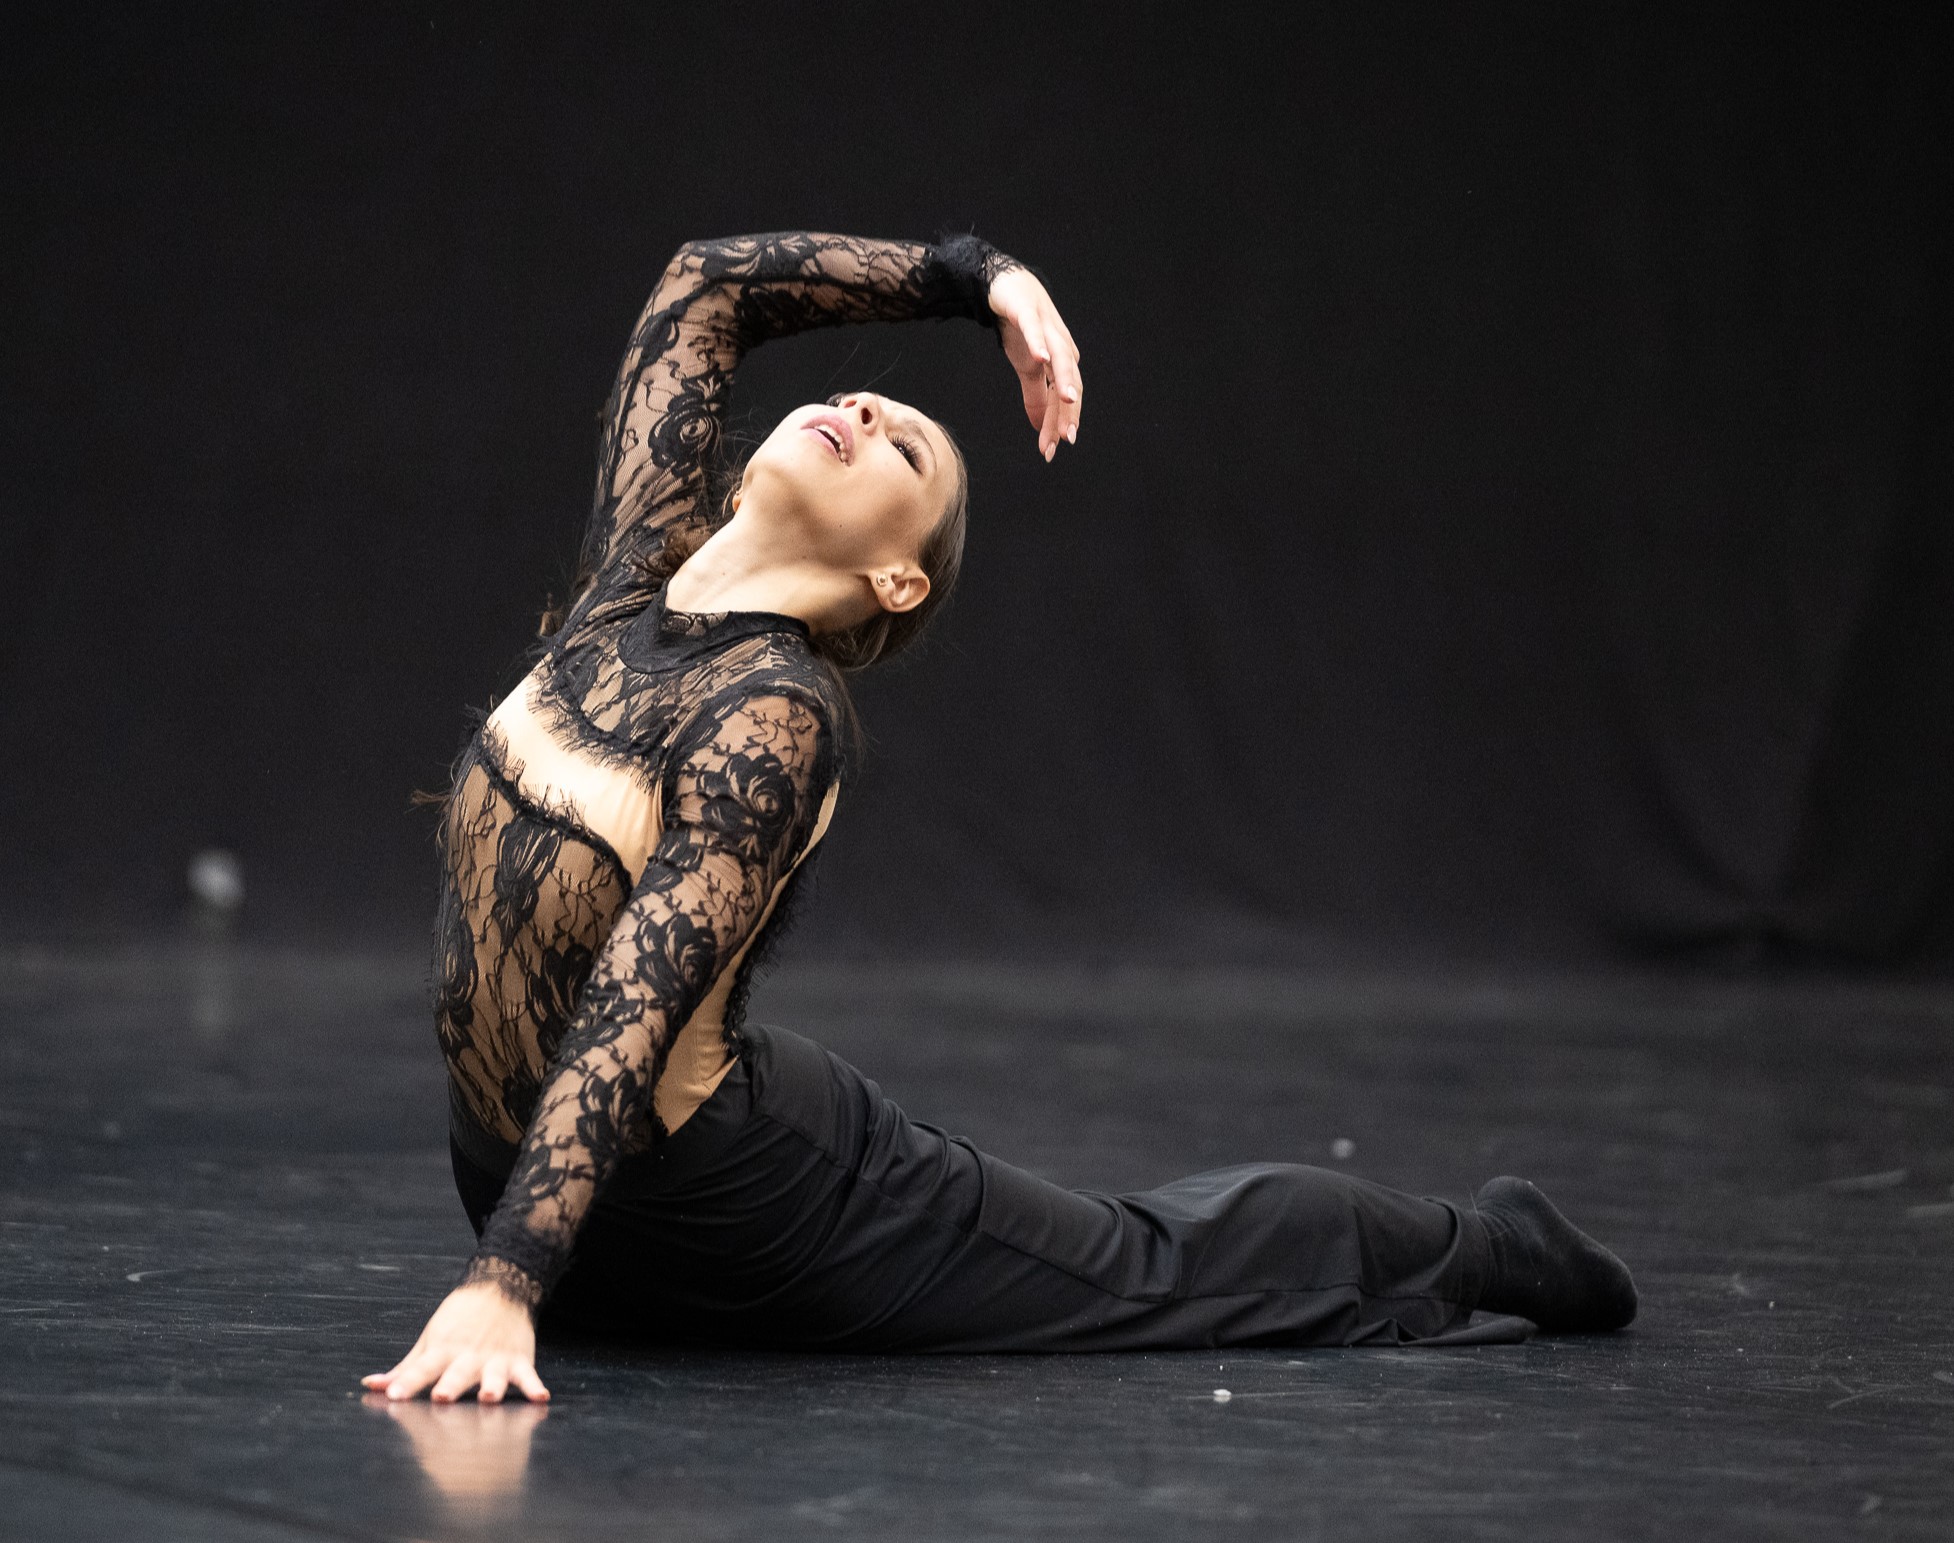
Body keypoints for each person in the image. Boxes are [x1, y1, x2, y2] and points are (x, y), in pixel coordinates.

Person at [363, 229, 1636, 1405]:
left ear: (895, 579)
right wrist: (978, 280)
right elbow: (707, 286)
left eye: (908, 449)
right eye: (867, 404)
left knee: (1142, 1265)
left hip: (726, 1207)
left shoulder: (771, 715)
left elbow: (624, 1017)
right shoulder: (628, 586)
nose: (866, 408)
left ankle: (1493, 1246)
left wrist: (505, 1281)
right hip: (541, 1197)